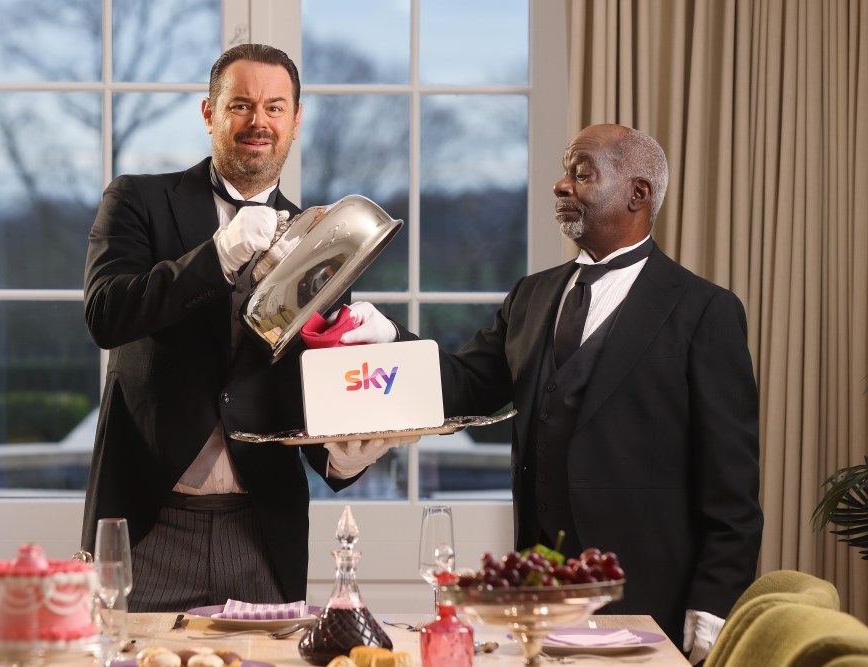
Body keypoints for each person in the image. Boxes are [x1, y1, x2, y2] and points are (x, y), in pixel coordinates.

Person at [82, 43, 406, 612]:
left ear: (296, 121)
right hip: (147, 525)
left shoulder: (323, 241)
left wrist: (343, 455)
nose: (259, 121)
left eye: (276, 107)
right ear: (209, 113)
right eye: (241, 105)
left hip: (262, 532)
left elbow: (312, 379)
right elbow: (107, 315)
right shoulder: (138, 199)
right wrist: (220, 252)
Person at [434, 124, 764, 663]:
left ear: (638, 194)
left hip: (650, 601)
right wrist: (385, 343)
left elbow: (733, 490)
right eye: (565, 173)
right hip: (541, 598)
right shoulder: (531, 295)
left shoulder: (706, 311)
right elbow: (464, 385)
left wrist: (712, 605)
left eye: (581, 173)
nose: (560, 186)